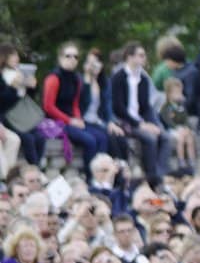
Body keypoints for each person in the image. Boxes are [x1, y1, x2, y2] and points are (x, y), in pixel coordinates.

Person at [110, 42, 175, 184]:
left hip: (141, 120)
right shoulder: (118, 77)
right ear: (129, 57)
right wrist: (140, 124)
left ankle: (161, 172)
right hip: (125, 122)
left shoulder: (144, 79)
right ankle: (152, 176)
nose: (144, 59)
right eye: (140, 55)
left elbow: (145, 107)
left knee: (165, 137)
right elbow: (118, 107)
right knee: (149, 138)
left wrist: (152, 124)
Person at [40, 42, 106, 176]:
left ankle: (103, 173)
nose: (72, 60)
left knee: (102, 137)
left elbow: (75, 103)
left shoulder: (76, 79)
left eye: (75, 57)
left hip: (72, 120)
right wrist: (70, 120)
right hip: (57, 122)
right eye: (68, 56)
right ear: (60, 58)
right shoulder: (53, 78)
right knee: (90, 141)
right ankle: (91, 176)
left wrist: (78, 118)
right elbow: (48, 106)